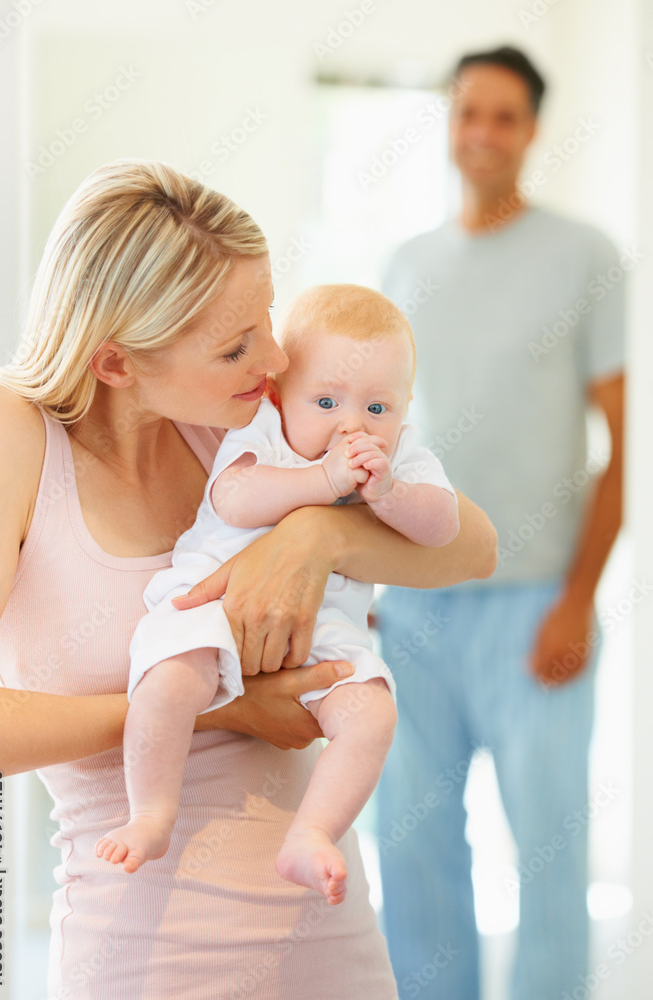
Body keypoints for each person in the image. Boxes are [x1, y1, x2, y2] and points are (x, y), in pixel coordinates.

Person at [0, 158, 497, 1000]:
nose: (278, 357)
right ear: (116, 364)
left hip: (328, 933)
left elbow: (471, 547)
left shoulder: (240, 418)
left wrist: (317, 536)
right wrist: (213, 705)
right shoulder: (4, 434)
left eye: (265, 318)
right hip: (146, 954)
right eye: (235, 345)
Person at [376, 46, 625, 1000]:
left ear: (530, 131)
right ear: (447, 119)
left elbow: (625, 444)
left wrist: (577, 600)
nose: (481, 132)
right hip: (414, 612)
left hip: (537, 609)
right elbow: (378, 437)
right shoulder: (408, 262)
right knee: (415, 849)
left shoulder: (585, 258)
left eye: (504, 116)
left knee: (549, 856)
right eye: (466, 111)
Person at [95, 284, 459, 906]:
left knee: (372, 713)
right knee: (170, 679)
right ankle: (151, 812)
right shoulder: (265, 430)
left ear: (404, 409)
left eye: (378, 407)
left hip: (326, 628)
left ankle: (312, 834)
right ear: (279, 395)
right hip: (208, 603)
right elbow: (232, 498)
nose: (353, 425)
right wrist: (323, 480)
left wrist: (391, 495)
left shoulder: (400, 453)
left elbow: (447, 528)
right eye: (326, 400)